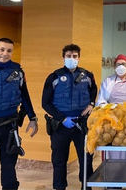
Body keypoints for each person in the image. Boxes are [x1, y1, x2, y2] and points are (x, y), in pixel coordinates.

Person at [0, 38, 38, 190]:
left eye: (9, 51)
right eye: (2, 49)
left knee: (9, 169)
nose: (5, 53)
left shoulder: (17, 72)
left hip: (10, 127)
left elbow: (24, 96)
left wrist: (32, 117)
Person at [42, 44, 97, 190]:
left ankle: (86, 186)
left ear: (79, 58)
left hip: (82, 125)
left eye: (74, 56)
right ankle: (59, 187)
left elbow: (94, 90)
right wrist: (62, 118)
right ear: (63, 57)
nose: (72, 59)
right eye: (68, 56)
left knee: (86, 159)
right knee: (59, 161)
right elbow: (45, 103)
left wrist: (91, 104)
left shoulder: (87, 76)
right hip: (61, 126)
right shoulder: (54, 76)